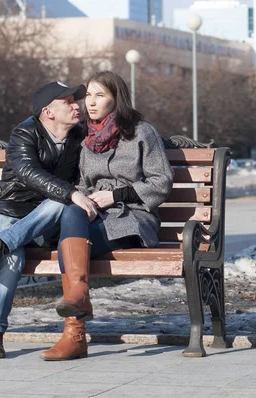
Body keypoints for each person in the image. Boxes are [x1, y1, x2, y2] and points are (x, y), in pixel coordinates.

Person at [40, 71, 174, 361]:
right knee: (72, 214)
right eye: (88, 95)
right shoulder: (87, 137)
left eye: (99, 95)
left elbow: (161, 182)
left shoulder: (141, 132)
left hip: (134, 217)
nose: (91, 102)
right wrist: (83, 197)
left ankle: (74, 333)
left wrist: (116, 195)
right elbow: (84, 184)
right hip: (97, 214)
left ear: (116, 99)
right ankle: (79, 300)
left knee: (70, 242)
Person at [0, 81, 98, 359]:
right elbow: (28, 172)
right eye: (68, 102)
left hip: (45, 217)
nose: (77, 105)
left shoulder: (79, 136)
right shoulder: (25, 133)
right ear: (48, 112)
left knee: (59, 202)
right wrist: (71, 193)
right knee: (13, 258)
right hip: (6, 210)